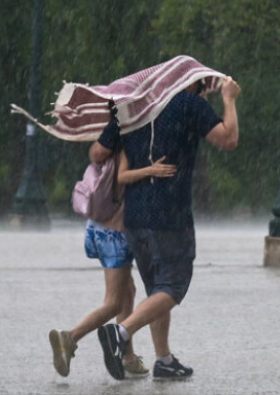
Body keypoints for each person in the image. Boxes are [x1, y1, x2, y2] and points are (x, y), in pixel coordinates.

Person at [96, 76, 240, 381]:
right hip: (170, 215)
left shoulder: (132, 108)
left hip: (135, 216)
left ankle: (164, 360)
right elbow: (228, 139)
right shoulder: (189, 104)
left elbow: (97, 153)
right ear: (191, 85)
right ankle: (120, 333)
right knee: (172, 287)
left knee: (155, 290)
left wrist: (128, 146)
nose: (203, 93)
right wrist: (229, 99)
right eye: (201, 88)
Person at [48, 106, 172, 379]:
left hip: (100, 226)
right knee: (115, 302)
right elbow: (122, 177)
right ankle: (69, 338)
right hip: (114, 233)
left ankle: (127, 357)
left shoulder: (109, 138)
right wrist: (151, 170)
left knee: (128, 290)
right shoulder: (128, 140)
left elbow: (97, 155)